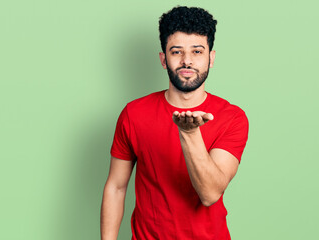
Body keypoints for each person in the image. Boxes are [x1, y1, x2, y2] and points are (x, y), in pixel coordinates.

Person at [101, 6, 249, 240]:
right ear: (163, 59)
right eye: (176, 52)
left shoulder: (232, 118)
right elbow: (116, 187)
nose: (187, 61)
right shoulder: (134, 113)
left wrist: (189, 133)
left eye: (197, 52)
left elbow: (210, 193)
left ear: (211, 58)